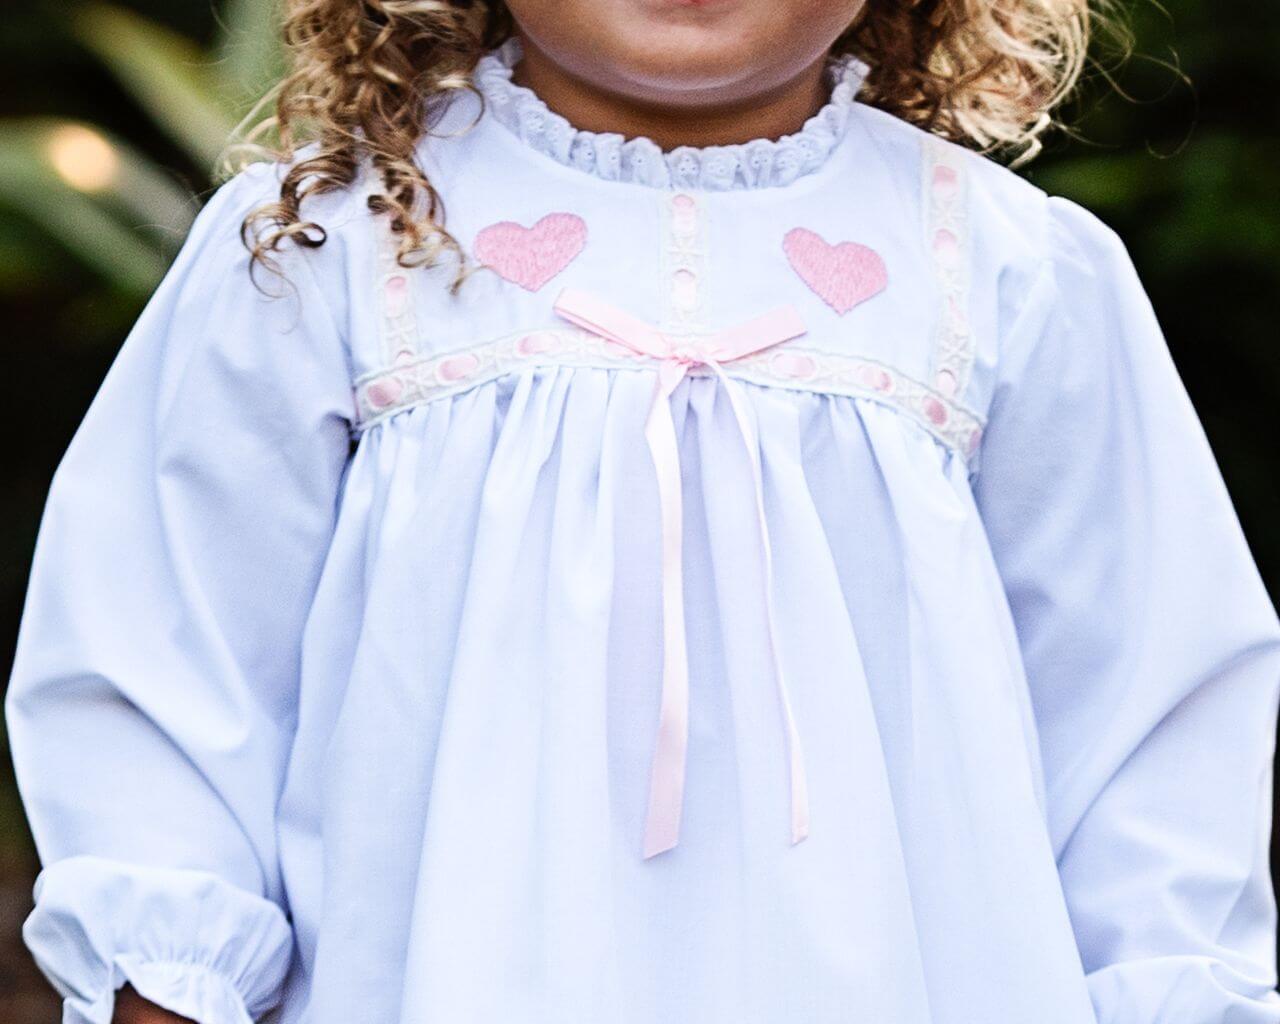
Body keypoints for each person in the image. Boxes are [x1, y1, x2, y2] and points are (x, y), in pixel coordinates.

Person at [7, 1, 1280, 1022]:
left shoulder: (1011, 268)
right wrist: (165, 973)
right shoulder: (323, 244)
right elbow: (165, 658)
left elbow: (1148, 715)